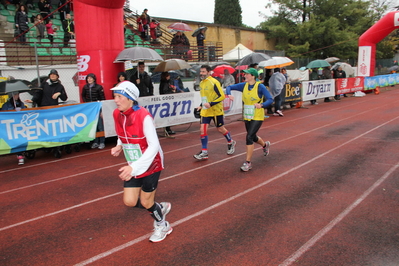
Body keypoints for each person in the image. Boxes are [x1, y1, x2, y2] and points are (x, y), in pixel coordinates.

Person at [110, 81, 172, 243]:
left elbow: (154, 146)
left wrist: (135, 167)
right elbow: (121, 132)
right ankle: (159, 207)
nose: (116, 100)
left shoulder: (143, 116)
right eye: (115, 96)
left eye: (119, 97)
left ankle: (162, 224)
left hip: (151, 164)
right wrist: (119, 146)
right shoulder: (117, 114)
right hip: (134, 164)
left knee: (145, 201)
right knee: (130, 202)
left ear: (130, 98)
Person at [226, 68, 273, 171]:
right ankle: (265, 145)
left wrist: (262, 105)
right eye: (245, 74)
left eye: (247, 74)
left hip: (257, 115)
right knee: (253, 136)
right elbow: (229, 87)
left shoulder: (260, 87)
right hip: (247, 115)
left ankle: (248, 162)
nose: (245, 76)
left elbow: (270, 99)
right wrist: (229, 94)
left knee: (249, 137)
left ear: (253, 76)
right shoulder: (244, 85)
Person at [193, 65, 236, 160]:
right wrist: (201, 105)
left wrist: (211, 103)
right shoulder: (202, 83)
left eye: (203, 72)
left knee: (220, 129)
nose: (201, 74)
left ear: (209, 72)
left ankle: (230, 142)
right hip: (206, 110)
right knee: (202, 129)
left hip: (216, 110)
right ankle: (204, 152)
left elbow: (222, 96)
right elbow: (205, 97)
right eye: (201, 72)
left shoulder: (214, 82)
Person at [82, 73, 106, 149]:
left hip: (97, 108)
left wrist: (101, 108)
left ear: (94, 79)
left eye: (91, 78)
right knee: (93, 126)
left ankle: (102, 142)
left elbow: (102, 98)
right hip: (90, 109)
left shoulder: (99, 87)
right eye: (88, 78)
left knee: (100, 125)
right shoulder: (85, 87)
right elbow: (83, 95)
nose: (89, 79)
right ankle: (95, 141)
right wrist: (87, 103)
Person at [1, 92, 27, 165]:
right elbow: (4, 115)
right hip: (11, 126)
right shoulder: (6, 105)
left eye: (17, 94)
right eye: (15, 94)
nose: (16, 96)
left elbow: (25, 112)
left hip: (20, 125)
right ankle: (19, 155)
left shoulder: (21, 104)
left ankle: (21, 152)